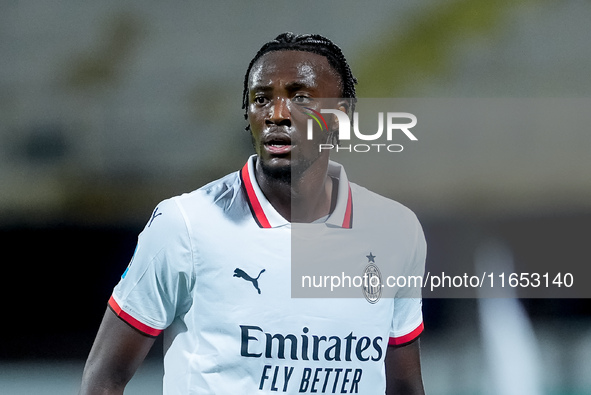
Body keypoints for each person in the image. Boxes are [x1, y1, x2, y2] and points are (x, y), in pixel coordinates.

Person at [79, 32, 426, 395]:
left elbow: (404, 385)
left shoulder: (395, 231)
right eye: (262, 99)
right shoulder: (185, 224)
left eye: (301, 98)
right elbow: (105, 376)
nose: (277, 114)